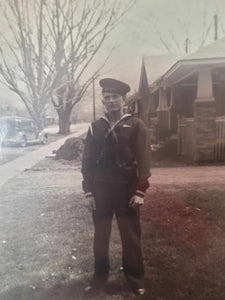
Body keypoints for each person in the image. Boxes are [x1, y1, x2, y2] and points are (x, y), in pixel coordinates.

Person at [81, 78, 151, 296]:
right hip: (101, 191)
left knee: (130, 236)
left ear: (123, 100)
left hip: (126, 191)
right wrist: (88, 191)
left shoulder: (136, 125)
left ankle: (135, 279)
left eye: (115, 97)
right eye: (107, 98)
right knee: (101, 236)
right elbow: (88, 162)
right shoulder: (95, 127)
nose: (111, 101)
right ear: (103, 100)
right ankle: (99, 277)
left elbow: (144, 160)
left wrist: (140, 190)